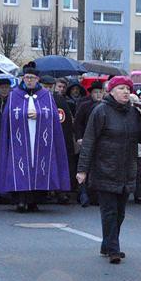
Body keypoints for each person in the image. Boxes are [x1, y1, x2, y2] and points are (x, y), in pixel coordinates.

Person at [76, 76, 141, 264]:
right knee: (109, 211)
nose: (126, 92)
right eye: (121, 88)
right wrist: (82, 170)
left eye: (128, 89)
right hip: (105, 168)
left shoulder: (134, 112)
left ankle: (108, 244)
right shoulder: (101, 111)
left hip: (127, 170)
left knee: (120, 213)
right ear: (111, 91)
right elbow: (89, 141)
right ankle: (113, 249)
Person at [0, 68, 71, 212]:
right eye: (26, 77)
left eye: (32, 78)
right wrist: (25, 114)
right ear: (23, 79)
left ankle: (34, 200)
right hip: (20, 140)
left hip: (40, 139)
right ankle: (21, 200)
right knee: (20, 167)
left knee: (39, 166)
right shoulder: (14, 95)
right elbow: (8, 117)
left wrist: (39, 114)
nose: (29, 80)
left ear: (38, 79)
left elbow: (53, 117)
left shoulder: (46, 96)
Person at [45, 75, 78, 204]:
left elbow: (64, 119)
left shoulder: (59, 100)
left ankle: (61, 191)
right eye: (45, 87)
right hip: (44, 140)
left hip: (60, 137)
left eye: (49, 87)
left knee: (60, 165)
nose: (48, 89)